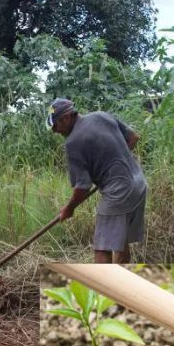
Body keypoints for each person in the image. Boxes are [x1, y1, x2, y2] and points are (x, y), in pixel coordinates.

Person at [47, 98, 148, 263]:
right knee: (119, 241)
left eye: (55, 125)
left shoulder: (72, 143)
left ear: (66, 118)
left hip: (118, 193)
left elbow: (83, 187)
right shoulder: (101, 116)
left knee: (102, 247)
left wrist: (69, 208)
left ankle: (101, 288)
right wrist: (116, 159)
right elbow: (133, 137)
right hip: (139, 184)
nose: (54, 131)